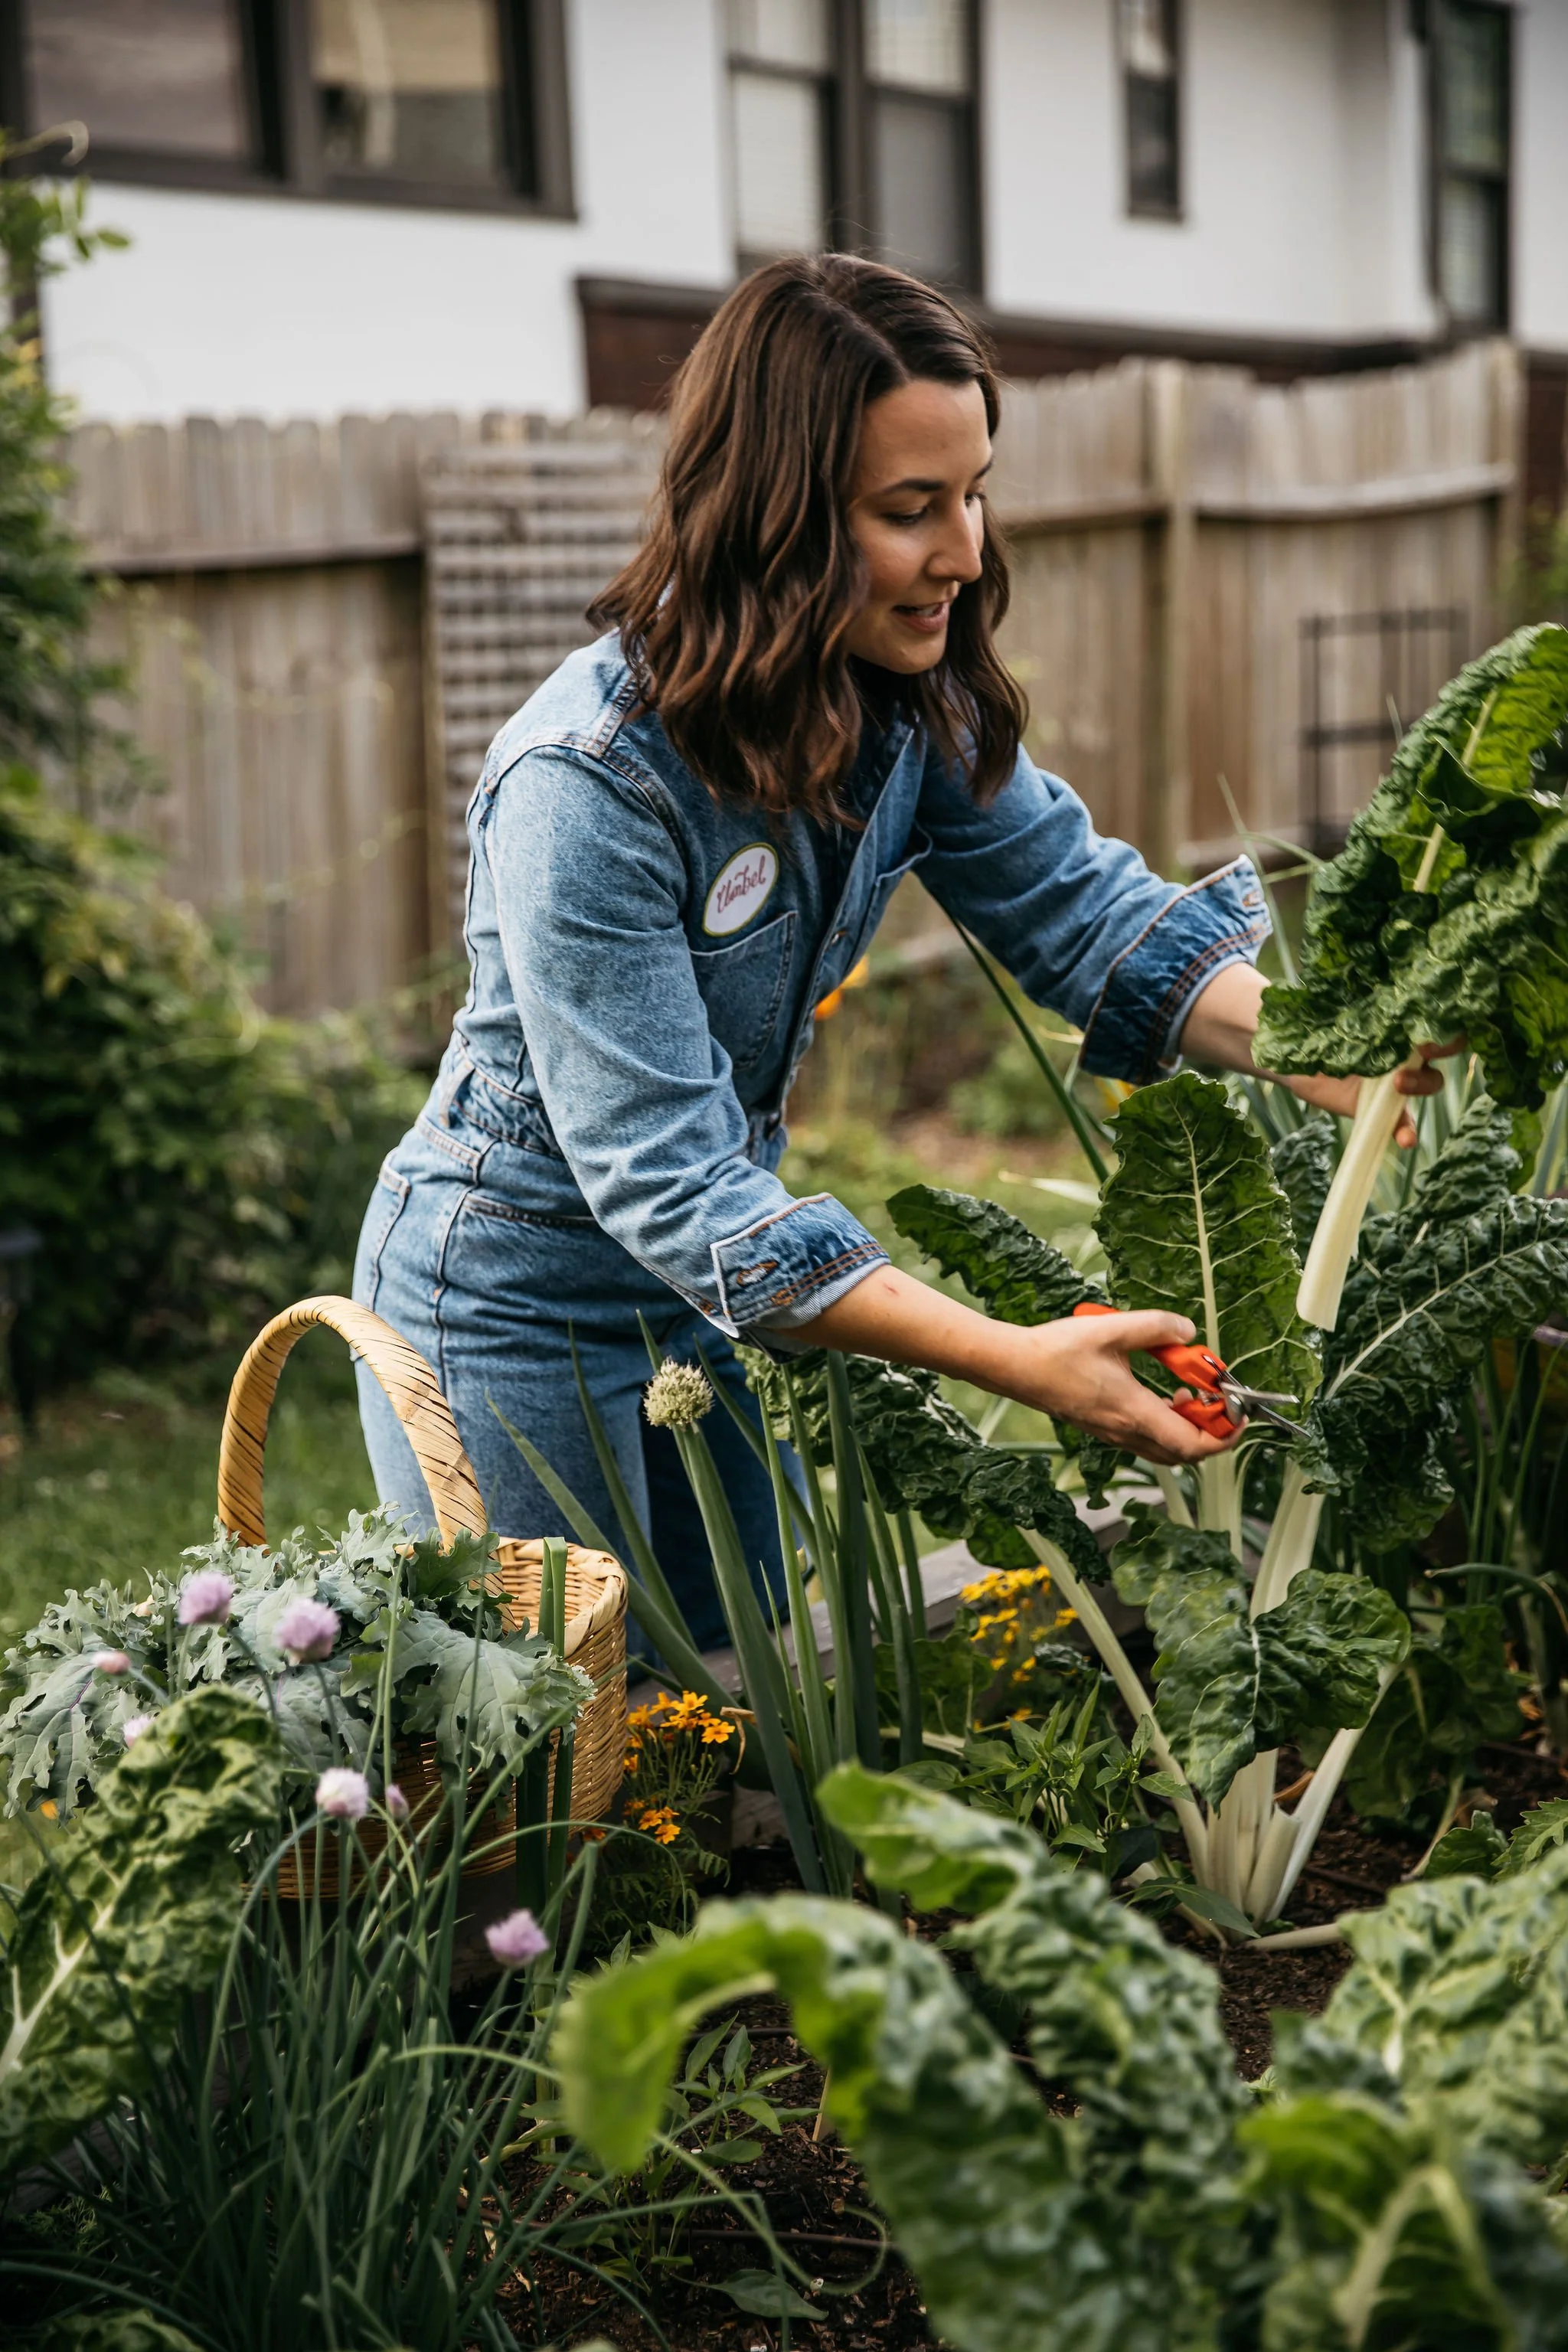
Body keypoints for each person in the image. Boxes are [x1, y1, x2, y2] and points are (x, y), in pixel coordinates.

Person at [352, 254, 1442, 1649]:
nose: (967, 552)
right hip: (510, 1303)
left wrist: (1335, 1060)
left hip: (711, 1291)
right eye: (910, 510)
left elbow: (1088, 917)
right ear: (776, 522)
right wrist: (1021, 1362)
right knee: (554, 1731)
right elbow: (669, 1177)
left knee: (748, 1693)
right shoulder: (587, 784)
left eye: (974, 493)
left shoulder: (898, 703)